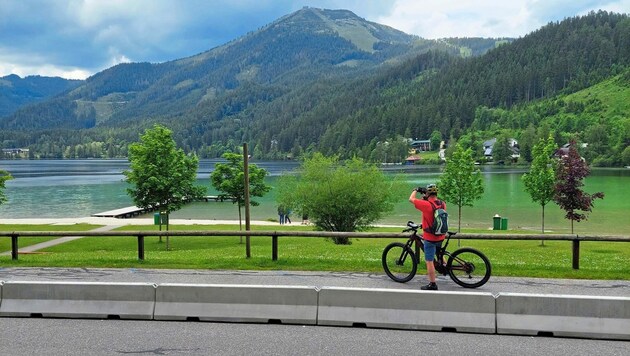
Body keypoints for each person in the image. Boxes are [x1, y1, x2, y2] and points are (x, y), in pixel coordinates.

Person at [408, 183, 447, 290]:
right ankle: (445, 266)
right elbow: (434, 218)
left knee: (429, 261)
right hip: (441, 235)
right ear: (436, 193)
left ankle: (432, 284)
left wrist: (416, 189)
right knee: (438, 252)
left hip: (430, 237)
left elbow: (411, 199)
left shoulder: (426, 205)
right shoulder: (442, 203)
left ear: (428, 193)